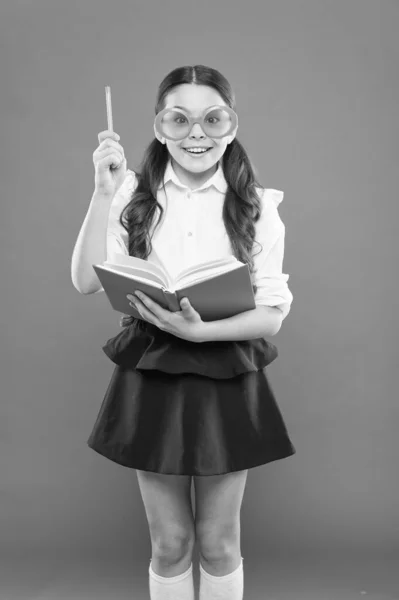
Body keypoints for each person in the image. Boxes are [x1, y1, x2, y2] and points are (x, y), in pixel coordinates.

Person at [71, 64, 296, 600]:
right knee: (169, 543)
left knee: (219, 542)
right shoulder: (130, 194)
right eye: (180, 119)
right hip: (153, 370)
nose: (197, 134)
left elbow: (272, 314)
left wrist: (199, 334)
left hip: (225, 368)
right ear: (159, 127)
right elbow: (85, 282)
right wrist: (103, 193)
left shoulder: (258, 205)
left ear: (231, 126)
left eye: (212, 119)